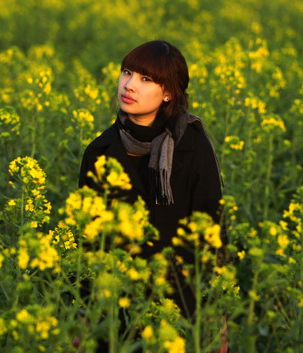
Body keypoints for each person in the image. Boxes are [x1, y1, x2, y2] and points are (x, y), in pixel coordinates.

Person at [78, 40, 223, 318]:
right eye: (127, 73)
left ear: (168, 93)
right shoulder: (100, 152)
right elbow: (90, 240)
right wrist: (85, 316)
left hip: (179, 304)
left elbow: (212, 230)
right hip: (116, 308)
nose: (129, 85)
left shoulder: (192, 146)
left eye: (146, 79)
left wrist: (216, 312)